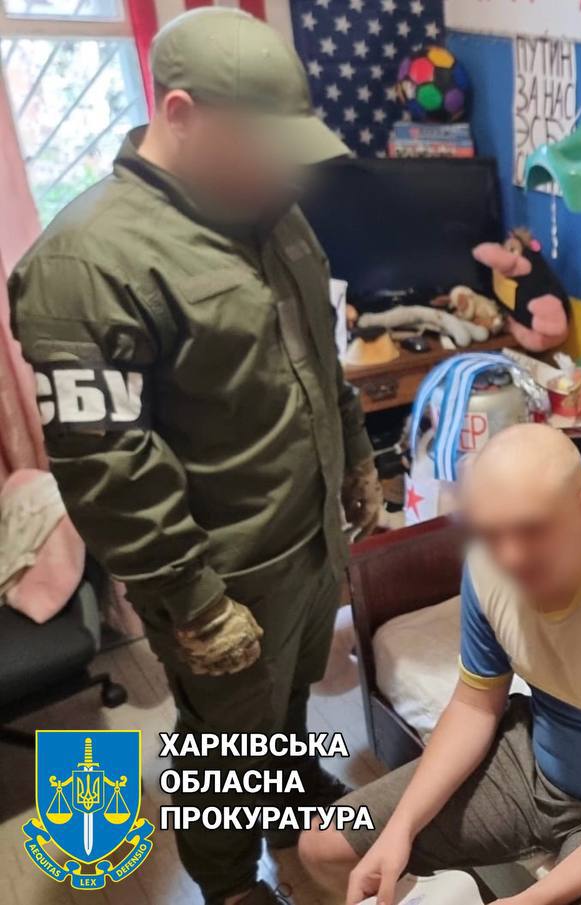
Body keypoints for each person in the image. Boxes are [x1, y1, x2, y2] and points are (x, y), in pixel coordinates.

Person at [8, 9, 382, 905]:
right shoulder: (87, 263)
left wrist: (357, 457)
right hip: (221, 568)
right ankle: (228, 879)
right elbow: (109, 466)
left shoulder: (271, 211)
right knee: (223, 738)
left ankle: (286, 791)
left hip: (305, 537)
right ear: (180, 114)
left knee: (286, 700)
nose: (281, 168)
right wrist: (194, 600)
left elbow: (319, 354)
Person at [300, 424, 581, 905]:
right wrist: (400, 829)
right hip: (533, 763)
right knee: (322, 845)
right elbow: (475, 705)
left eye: (532, 530)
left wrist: (531, 899)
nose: (512, 557)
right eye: (493, 533)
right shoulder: (488, 567)